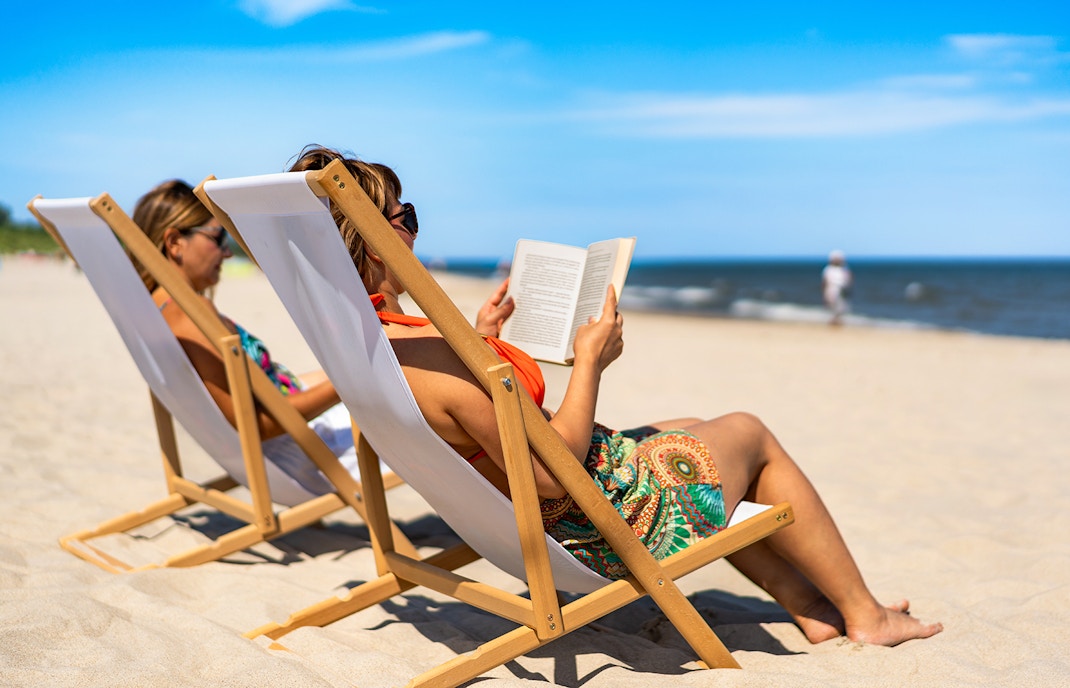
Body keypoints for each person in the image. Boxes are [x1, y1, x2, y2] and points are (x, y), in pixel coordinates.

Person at [289, 145, 942, 647]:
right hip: (587, 520)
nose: (413, 230)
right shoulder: (429, 353)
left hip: (513, 513)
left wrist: (483, 339)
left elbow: (469, 422)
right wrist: (592, 362)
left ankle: (807, 606)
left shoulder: (367, 343)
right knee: (748, 432)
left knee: (691, 426)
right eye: (404, 217)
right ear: (372, 240)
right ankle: (866, 614)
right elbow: (553, 474)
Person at [130, 179, 358, 495]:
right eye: (217, 236)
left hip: (290, 422)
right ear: (174, 242)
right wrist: (351, 385)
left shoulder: (154, 310)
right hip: (300, 451)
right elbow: (253, 423)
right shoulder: (191, 317)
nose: (226, 252)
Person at [822, 249, 853, 326]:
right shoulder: (828, 269)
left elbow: (848, 279)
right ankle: (834, 321)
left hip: (842, 289)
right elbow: (825, 281)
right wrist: (825, 292)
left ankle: (836, 321)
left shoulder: (843, 269)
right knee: (833, 306)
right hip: (832, 289)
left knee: (841, 307)